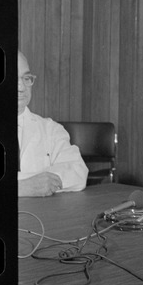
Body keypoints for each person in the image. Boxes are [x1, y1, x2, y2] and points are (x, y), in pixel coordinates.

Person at [17, 51, 88, 197]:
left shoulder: (50, 129)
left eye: (26, 78)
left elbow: (78, 171)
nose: (22, 87)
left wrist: (42, 182)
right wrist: (22, 187)